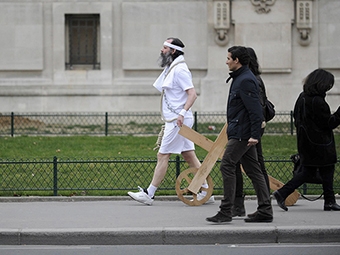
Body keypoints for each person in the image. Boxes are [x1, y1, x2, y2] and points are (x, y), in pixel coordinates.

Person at [128, 37, 214, 205]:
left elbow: (192, 94)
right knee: (189, 155)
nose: (162, 50)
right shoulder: (172, 68)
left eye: (165, 48)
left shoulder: (180, 70)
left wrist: (182, 113)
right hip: (177, 119)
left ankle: (149, 194)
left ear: (173, 51)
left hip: (177, 121)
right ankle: (206, 191)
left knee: (162, 154)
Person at [206, 46, 273, 223]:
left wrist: (254, 135)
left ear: (237, 60)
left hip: (243, 134)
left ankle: (226, 210)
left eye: (229, 58)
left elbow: (256, 111)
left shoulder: (245, 80)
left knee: (227, 165)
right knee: (253, 170)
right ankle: (265, 210)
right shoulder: (240, 78)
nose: (226, 61)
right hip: (241, 131)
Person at [273, 68, 340, 211]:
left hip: (305, 142)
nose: (328, 88)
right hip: (321, 144)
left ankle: (328, 200)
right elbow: (329, 123)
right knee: (326, 169)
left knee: (309, 172)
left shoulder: (302, 97)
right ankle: (328, 201)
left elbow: (296, 117)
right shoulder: (318, 101)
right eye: (328, 85)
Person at [232, 47, 271, 218]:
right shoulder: (252, 79)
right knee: (251, 166)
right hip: (248, 129)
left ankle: (250, 205)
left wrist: (253, 132)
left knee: (243, 166)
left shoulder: (249, 80)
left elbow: (255, 108)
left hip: (247, 130)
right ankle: (261, 205)